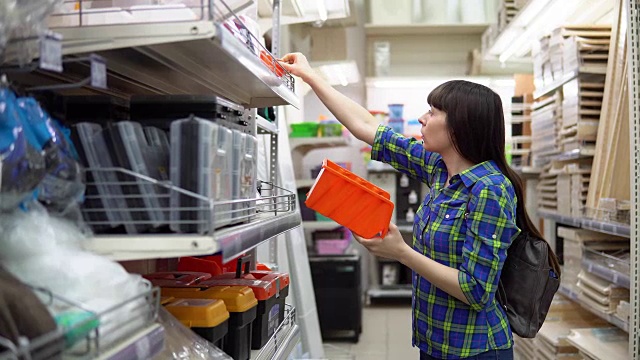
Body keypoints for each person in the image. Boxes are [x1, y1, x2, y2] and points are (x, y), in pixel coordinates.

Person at [279, 53, 543, 360]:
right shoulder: (439, 169)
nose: (422, 119)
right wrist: (310, 76)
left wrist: (401, 252)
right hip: (433, 340)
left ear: (459, 126)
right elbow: (367, 126)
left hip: (474, 349)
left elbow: (476, 289)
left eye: (432, 112)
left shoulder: (491, 189)